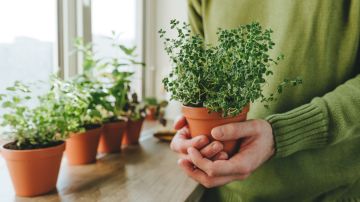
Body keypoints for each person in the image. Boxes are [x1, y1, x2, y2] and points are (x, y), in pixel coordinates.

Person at [170, 0, 360, 201]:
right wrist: (191, 135)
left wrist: (282, 133)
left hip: (329, 193)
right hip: (222, 194)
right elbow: (196, 76)